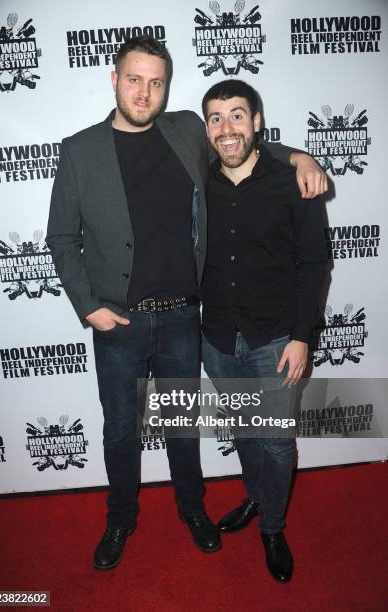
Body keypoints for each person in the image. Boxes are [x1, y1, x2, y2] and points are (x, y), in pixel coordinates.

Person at [46, 35, 327, 571]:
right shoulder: (78, 151)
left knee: (182, 426)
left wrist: (300, 154)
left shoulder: (185, 131)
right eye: (135, 79)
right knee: (121, 428)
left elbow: (241, 142)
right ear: (114, 79)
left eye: (156, 82)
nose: (145, 92)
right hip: (118, 321)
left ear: (166, 87)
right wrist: (87, 307)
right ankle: (120, 518)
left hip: (183, 320)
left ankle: (192, 509)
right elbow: (62, 238)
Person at [200, 79, 327, 583]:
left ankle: (272, 527)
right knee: (245, 433)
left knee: (275, 442)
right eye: (215, 118)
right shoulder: (199, 178)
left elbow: (314, 263)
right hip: (217, 337)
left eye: (237, 115)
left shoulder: (293, 181)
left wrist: (302, 337)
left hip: (275, 338)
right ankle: (256, 498)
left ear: (257, 123)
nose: (226, 128)